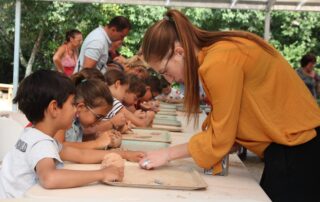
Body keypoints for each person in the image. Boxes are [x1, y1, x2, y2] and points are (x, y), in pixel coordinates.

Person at [138, 10, 320, 201]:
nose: (169, 79)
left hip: (298, 150)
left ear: (179, 52)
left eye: (165, 71)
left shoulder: (217, 62)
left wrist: (167, 154)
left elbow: (220, 138)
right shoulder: (221, 51)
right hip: (295, 147)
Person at [0, 70, 127, 198]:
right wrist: (102, 174)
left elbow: (82, 155)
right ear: (54, 108)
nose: (76, 109)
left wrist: (126, 154)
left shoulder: (32, 135)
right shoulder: (41, 143)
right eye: (72, 104)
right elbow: (49, 178)